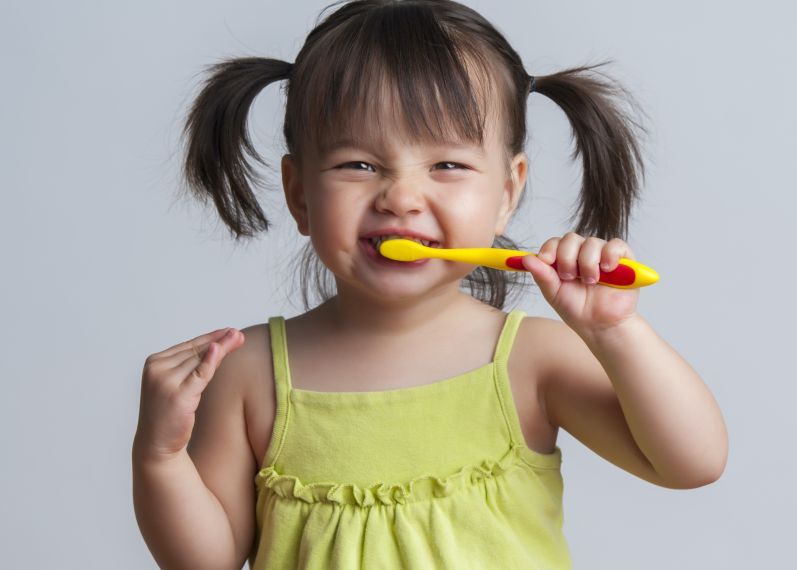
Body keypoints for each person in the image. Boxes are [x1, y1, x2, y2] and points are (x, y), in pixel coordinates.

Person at [132, 1, 728, 568]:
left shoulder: (530, 360)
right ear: (299, 195)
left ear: (506, 192)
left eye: (447, 165)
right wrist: (159, 456)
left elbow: (690, 463)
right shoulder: (249, 374)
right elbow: (203, 561)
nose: (401, 198)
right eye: (357, 165)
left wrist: (616, 331)